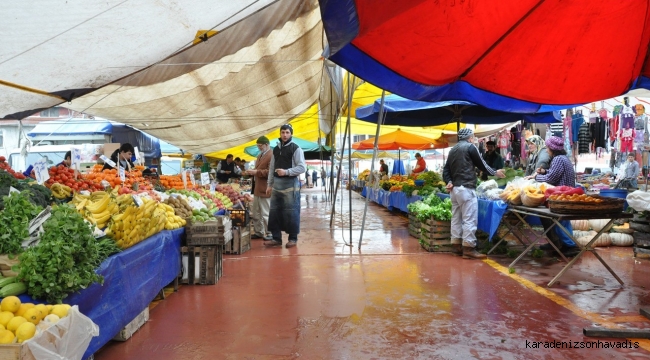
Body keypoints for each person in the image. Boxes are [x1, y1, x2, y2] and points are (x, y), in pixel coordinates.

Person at [443, 128, 505, 259]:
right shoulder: (470, 147)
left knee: (456, 218)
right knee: (469, 219)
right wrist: (495, 172)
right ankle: (468, 248)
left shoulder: (452, 150)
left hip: (454, 190)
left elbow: (446, 170)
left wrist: (448, 181)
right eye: (473, 137)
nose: (474, 139)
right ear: (470, 137)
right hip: (466, 188)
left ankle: (456, 246)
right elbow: (481, 164)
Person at [533, 136, 579, 256]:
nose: (547, 150)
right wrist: (544, 172)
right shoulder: (563, 158)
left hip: (563, 197)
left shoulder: (558, 159)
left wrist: (536, 177)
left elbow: (551, 179)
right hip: (566, 195)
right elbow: (553, 173)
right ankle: (561, 244)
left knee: (560, 223)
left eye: (548, 148)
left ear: (552, 149)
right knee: (561, 222)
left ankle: (571, 246)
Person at [265, 124, 306, 248]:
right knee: (274, 211)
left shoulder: (296, 148)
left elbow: (302, 167)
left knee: (291, 212)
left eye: (287, 132)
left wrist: (286, 172)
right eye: (283, 132)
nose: (285, 135)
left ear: (291, 134)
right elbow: (272, 167)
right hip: (277, 184)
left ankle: (292, 239)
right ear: (280, 133)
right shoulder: (276, 149)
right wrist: (269, 184)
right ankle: (276, 238)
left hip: (290, 184)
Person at [247, 136, 273, 240]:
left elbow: (271, 172)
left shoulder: (272, 155)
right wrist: (252, 172)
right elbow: (258, 169)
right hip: (257, 188)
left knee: (266, 212)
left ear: (266, 144)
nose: (259, 147)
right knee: (256, 212)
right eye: (258, 146)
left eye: (260, 145)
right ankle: (259, 231)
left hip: (266, 188)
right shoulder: (260, 156)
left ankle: (270, 232)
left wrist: (256, 172)